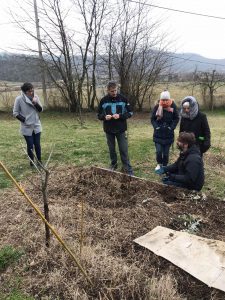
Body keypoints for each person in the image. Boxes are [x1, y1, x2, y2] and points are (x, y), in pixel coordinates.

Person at [97, 81, 133, 175]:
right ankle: (113, 165)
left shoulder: (123, 99)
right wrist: (105, 117)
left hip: (121, 129)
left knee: (123, 149)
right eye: (112, 91)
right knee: (112, 149)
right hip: (108, 130)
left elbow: (130, 113)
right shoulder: (103, 100)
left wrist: (120, 116)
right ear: (108, 90)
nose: (114, 93)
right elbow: (99, 115)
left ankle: (127, 168)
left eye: (116, 90)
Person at [13, 82, 43, 166]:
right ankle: (32, 162)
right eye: (29, 91)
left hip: (36, 125)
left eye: (32, 90)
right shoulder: (19, 99)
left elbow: (41, 110)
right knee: (30, 145)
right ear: (24, 92)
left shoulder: (36, 97)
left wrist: (35, 103)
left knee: (37, 144)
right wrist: (25, 120)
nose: (31, 92)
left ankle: (39, 161)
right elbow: (15, 113)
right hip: (26, 127)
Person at [151, 90, 179, 171]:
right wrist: (156, 127)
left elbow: (176, 118)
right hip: (158, 134)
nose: (165, 101)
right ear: (160, 100)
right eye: (163, 100)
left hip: (168, 134)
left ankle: (165, 166)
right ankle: (159, 164)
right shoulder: (157, 107)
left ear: (169, 99)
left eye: (166, 100)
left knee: (166, 153)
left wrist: (171, 127)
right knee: (159, 151)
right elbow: (152, 119)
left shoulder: (173, 106)